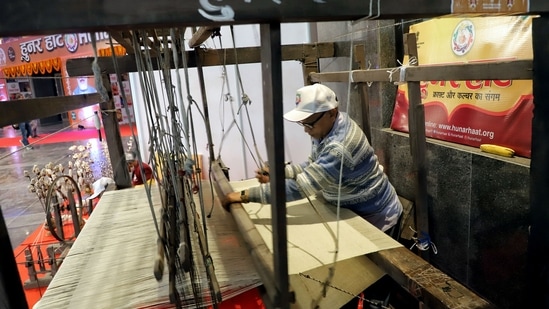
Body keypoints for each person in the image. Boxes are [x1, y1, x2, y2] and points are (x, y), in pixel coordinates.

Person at [223, 83, 403, 233]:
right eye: (303, 123)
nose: (305, 130)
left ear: (331, 112)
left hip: (374, 215)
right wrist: (281, 173)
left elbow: (301, 188)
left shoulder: (340, 147)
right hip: (348, 209)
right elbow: (313, 164)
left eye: (309, 124)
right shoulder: (328, 128)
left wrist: (245, 196)